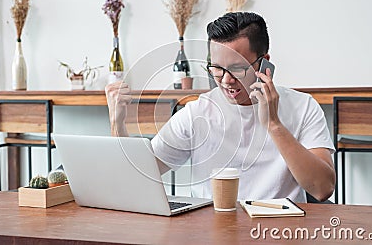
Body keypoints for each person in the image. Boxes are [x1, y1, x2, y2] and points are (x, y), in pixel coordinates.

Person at [105, 12, 335, 203]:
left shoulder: (303, 107)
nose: (225, 80)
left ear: (264, 62)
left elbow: (322, 188)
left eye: (237, 69)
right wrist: (117, 122)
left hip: (278, 231)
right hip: (211, 230)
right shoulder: (197, 113)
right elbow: (136, 175)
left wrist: (273, 124)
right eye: (216, 68)